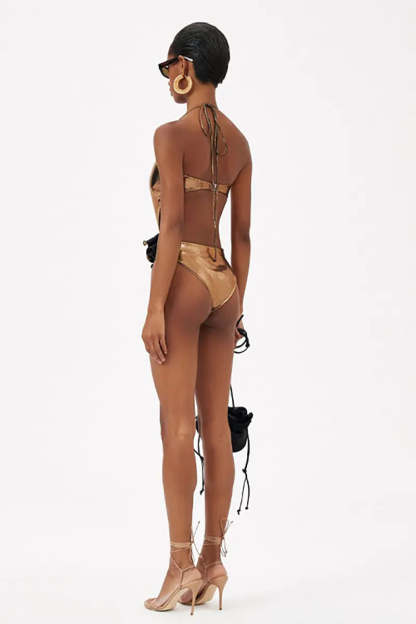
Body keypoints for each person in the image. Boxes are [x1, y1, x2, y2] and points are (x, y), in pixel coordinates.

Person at [141, 21, 252, 613]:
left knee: (176, 426)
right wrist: (238, 308)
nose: (168, 79)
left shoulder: (170, 135)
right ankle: (214, 559)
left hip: (183, 276)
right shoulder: (240, 143)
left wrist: (155, 307)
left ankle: (180, 564)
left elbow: (173, 226)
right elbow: (243, 235)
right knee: (215, 427)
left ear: (187, 65)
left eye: (169, 68)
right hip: (224, 282)